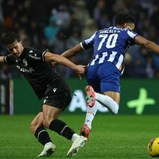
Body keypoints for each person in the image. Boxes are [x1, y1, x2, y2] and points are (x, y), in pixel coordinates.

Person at [60, 12, 159, 139]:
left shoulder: (98, 33)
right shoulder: (125, 32)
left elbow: (74, 50)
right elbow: (147, 44)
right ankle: (94, 95)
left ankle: (87, 125)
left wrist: (56, 59)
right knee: (114, 107)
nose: (133, 31)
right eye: (131, 28)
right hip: (109, 68)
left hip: (92, 69)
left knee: (93, 100)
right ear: (125, 25)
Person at [0, 32, 87, 157]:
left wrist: (74, 67)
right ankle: (48, 145)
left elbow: (55, 57)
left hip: (57, 87)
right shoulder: (13, 58)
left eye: (15, 46)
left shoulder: (32, 54)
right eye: (10, 49)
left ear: (20, 42)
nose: (14, 51)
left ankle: (76, 138)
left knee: (48, 121)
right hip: (50, 91)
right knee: (35, 125)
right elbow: (2, 59)